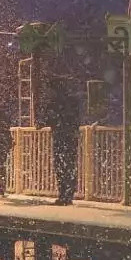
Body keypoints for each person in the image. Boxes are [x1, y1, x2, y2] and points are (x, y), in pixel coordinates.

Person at [44, 74, 79, 205]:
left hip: (60, 137)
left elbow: (49, 118)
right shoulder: (72, 101)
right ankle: (68, 194)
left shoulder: (54, 103)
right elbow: (73, 119)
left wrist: (42, 123)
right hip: (69, 137)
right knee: (68, 165)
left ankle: (64, 193)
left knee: (61, 165)